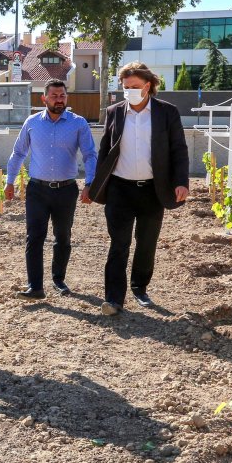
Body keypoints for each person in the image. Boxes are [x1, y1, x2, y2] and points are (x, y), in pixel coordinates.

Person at [89, 61, 190, 316]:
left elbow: (179, 149)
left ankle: (139, 287)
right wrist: (94, 184)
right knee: (118, 244)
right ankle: (113, 299)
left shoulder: (167, 113)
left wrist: (181, 181)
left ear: (148, 86)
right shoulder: (114, 112)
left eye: (134, 86)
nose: (129, 91)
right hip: (119, 190)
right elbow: (105, 150)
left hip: (152, 191)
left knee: (146, 243)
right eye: (125, 87)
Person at [3, 78, 97, 298]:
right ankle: (35, 286)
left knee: (62, 236)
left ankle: (59, 279)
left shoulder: (79, 123)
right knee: (34, 236)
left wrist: (90, 184)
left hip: (66, 190)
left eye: (62, 95)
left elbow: (90, 154)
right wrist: (10, 181)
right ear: (43, 98)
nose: (58, 100)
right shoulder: (32, 123)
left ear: (67, 97)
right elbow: (18, 153)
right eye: (54, 96)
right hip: (37, 190)